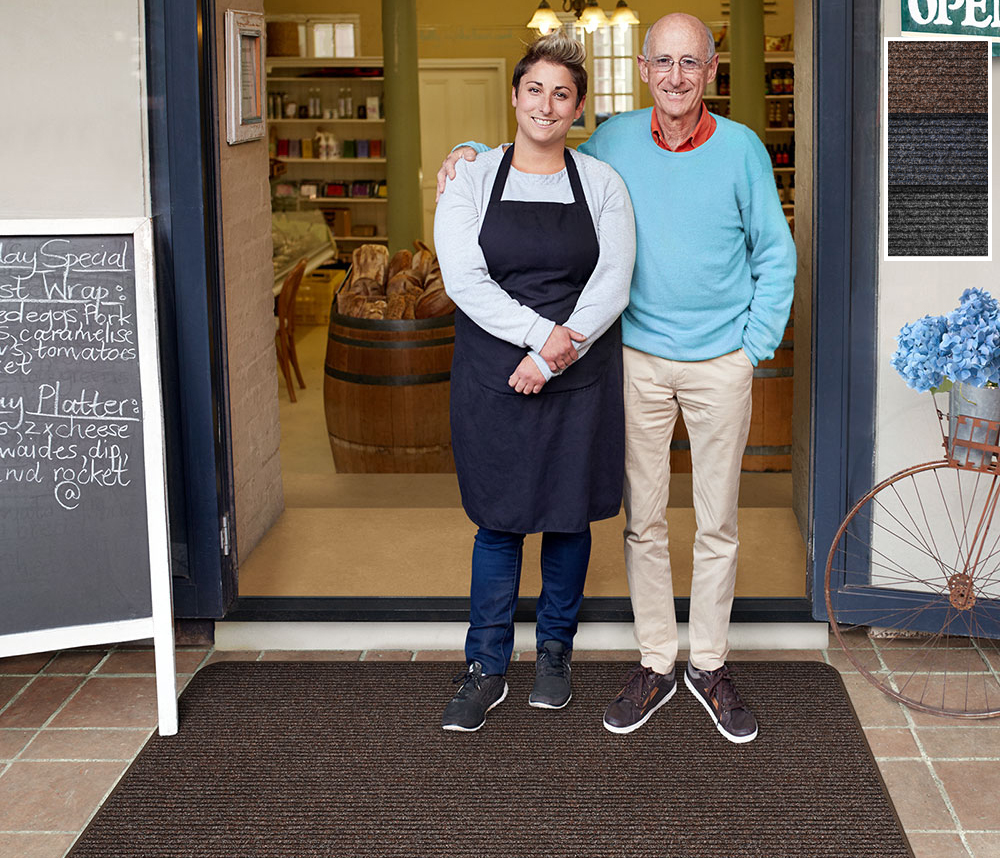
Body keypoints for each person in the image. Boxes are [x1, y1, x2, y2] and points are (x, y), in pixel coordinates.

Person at [437, 13, 795, 743]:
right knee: (644, 523)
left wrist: (752, 348)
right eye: (662, 62)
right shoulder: (615, 143)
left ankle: (712, 664)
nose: (675, 77)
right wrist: (467, 151)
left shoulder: (743, 151)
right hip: (633, 360)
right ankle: (659, 662)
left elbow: (775, 254)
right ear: (641, 68)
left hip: (718, 358)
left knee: (719, 522)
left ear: (711, 70)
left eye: (689, 63)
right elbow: (537, 149)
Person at [432, 30, 635, 733]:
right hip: (494, 373)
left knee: (567, 518)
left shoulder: (603, 184)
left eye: (562, 94)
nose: (547, 105)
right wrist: (532, 337)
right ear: (514, 97)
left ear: (579, 109)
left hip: (576, 373)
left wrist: (554, 355)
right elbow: (463, 278)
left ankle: (554, 654)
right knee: (499, 522)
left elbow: (612, 282)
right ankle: (485, 667)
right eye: (535, 90)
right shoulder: (472, 177)